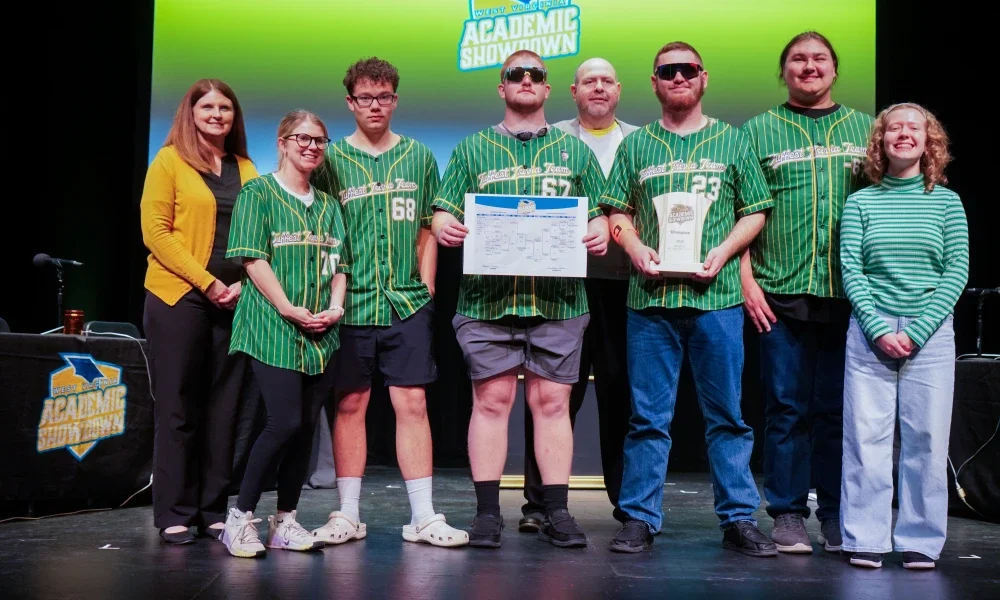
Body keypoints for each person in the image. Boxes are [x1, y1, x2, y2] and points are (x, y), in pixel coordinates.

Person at [601, 41, 777, 556]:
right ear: (654, 82)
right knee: (647, 419)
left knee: (728, 417)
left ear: (703, 78)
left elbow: (755, 209)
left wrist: (725, 251)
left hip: (717, 300)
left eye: (688, 69)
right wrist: (633, 246)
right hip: (650, 303)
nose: (678, 77)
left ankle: (739, 518)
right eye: (668, 71)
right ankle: (639, 517)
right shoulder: (636, 145)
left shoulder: (733, 139)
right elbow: (617, 211)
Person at [431, 49, 610, 548]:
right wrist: (444, 227)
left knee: (552, 402)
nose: (526, 80)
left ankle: (557, 511)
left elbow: (600, 213)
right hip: (488, 301)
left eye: (536, 75)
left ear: (548, 88)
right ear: (502, 87)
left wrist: (600, 230)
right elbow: (442, 211)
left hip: (558, 300)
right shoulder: (471, 149)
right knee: (491, 401)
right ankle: (488, 514)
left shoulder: (576, 151)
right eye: (516, 74)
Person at [310, 57, 468, 548]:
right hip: (349, 302)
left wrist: (427, 289)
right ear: (350, 102)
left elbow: (427, 227)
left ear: (395, 100)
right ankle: (347, 514)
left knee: (412, 402)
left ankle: (423, 516)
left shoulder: (419, 156)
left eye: (383, 97)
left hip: (406, 302)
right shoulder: (331, 161)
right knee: (350, 402)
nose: (374, 105)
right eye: (365, 97)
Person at [739, 31, 874, 554]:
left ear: (835, 69)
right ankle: (789, 513)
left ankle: (838, 514)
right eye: (798, 59)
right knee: (785, 407)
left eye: (819, 58)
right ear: (784, 71)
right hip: (778, 290)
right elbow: (739, 211)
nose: (809, 66)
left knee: (839, 411)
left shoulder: (866, 129)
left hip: (850, 294)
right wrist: (747, 281)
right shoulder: (757, 131)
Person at [840, 103, 969, 570]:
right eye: (893, 128)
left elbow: (956, 271)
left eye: (914, 128)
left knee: (927, 439)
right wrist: (878, 328)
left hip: (929, 334)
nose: (903, 134)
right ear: (881, 140)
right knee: (865, 438)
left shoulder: (947, 202)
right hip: (870, 331)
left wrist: (916, 331)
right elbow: (851, 268)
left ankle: (920, 539)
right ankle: (865, 538)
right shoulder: (861, 202)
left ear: (929, 141)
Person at [220, 110, 348, 558]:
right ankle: (239, 518)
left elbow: (341, 265)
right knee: (284, 422)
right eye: (302, 138)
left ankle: (285, 521)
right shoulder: (258, 193)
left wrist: (336, 308)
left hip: (320, 332)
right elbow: (252, 259)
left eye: (319, 140)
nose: (311, 147)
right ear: (282, 142)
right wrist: (286, 307)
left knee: (306, 427)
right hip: (272, 324)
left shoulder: (329, 205)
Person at [517, 58, 637, 532]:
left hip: (624, 286)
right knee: (551, 395)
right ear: (573, 91)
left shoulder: (640, 141)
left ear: (619, 89)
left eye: (607, 81)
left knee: (620, 395)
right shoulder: (551, 139)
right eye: (590, 81)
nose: (599, 88)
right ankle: (539, 504)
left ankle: (629, 506)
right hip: (560, 285)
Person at [139, 78, 257, 545]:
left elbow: (262, 233)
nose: (217, 115)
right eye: (207, 107)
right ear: (190, 114)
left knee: (224, 410)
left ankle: (212, 510)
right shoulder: (169, 161)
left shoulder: (246, 168)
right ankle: (174, 511)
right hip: (179, 296)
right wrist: (207, 283)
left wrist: (245, 284)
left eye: (225, 107)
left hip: (236, 299)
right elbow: (156, 232)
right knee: (178, 406)